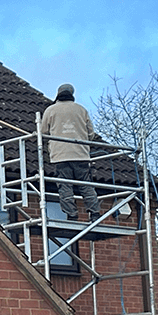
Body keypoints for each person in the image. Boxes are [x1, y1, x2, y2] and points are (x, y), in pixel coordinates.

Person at [40, 83, 100, 221]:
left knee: (65, 186)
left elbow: (43, 132)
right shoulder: (81, 110)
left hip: (60, 156)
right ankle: (94, 213)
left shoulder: (51, 110)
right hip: (81, 154)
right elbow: (91, 134)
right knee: (86, 185)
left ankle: (71, 214)